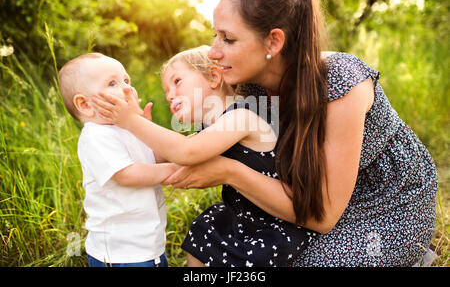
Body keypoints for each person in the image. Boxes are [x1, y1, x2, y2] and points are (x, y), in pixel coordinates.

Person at [160, 0, 437, 267]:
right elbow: (200, 139)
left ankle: (412, 253)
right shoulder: (250, 84)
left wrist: (230, 172)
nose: (213, 52)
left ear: (273, 42)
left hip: (385, 202)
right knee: (253, 252)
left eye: (228, 39)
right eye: (214, 35)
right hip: (305, 197)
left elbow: (323, 216)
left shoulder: (341, 83)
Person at [91, 45, 319, 267]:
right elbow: (175, 158)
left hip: (276, 224)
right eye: (166, 91)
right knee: (204, 228)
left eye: (177, 82)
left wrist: (132, 121)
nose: (170, 96)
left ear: (213, 77)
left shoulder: (242, 115)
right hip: (244, 218)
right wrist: (142, 132)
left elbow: (186, 151)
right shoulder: (209, 129)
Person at [58, 52, 178, 267]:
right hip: (119, 252)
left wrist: (146, 131)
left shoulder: (129, 128)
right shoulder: (96, 136)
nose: (126, 88)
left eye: (126, 80)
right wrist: (175, 169)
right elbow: (127, 174)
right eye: (112, 83)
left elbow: (154, 161)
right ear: (85, 105)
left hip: (149, 243)